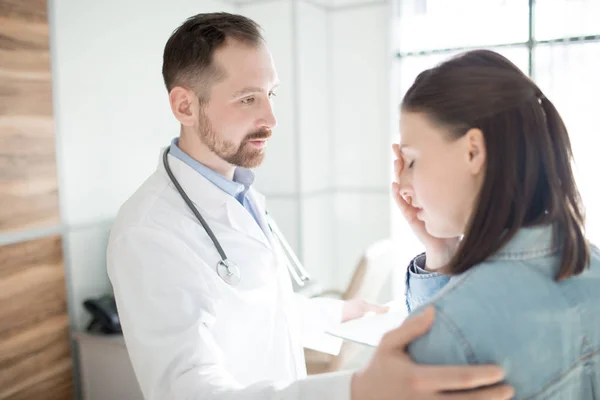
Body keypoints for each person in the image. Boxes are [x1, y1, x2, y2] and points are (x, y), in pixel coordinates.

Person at [107, 13, 514, 400]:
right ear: (185, 107)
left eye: (270, 94)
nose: (271, 117)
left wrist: (339, 313)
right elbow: (188, 391)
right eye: (248, 99)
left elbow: (253, 313)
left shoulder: (238, 191)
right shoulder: (148, 232)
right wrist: (356, 390)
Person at [393, 49, 600, 399]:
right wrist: (441, 253)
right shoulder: (591, 264)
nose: (404, 185)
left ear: (472, 151)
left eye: (411, 161)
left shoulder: (448, 330)